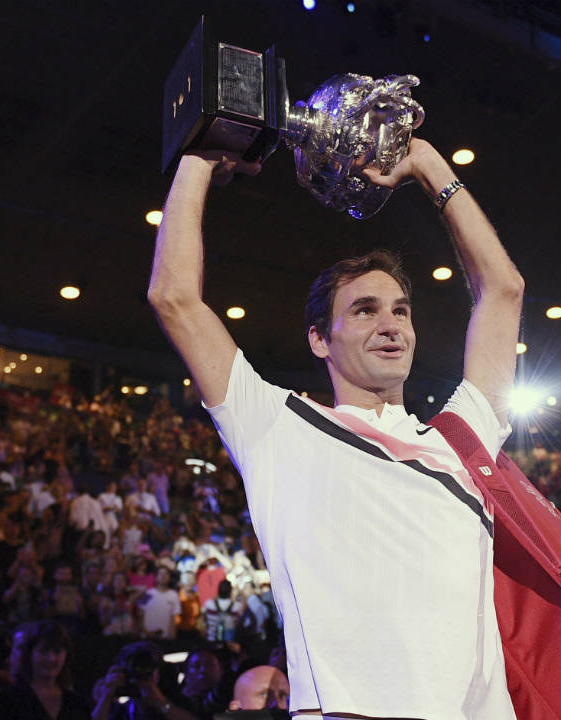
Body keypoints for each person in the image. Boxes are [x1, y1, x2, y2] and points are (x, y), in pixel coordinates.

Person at [149, 138, 523, 718]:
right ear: (319, 339)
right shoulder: (278, 427)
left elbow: (504, 291)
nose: (391, 323)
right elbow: (174, 298)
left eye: (401, 309)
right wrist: (201, 159)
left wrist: (426, 164)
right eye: (365, 310)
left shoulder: (461, 438)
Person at [0, 621, 91, 720]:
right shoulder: (6, 702)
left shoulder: (76, 703)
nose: (51, 658)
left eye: (57, 651)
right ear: (29, 654)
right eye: (43, 651)